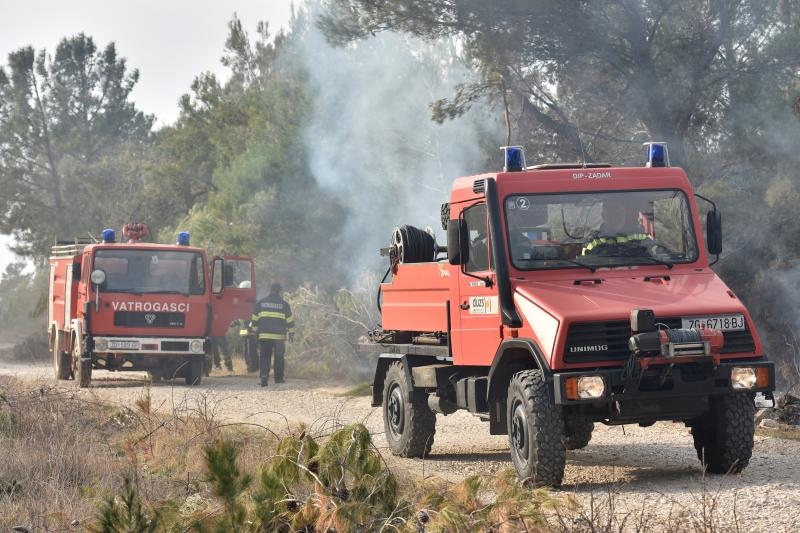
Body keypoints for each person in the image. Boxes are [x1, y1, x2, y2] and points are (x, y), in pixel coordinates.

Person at [251, 282, 295, 387]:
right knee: (279, 357)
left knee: (265, 356)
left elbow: (254, 320)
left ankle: (264, 377)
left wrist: (255, 332)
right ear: (279, 291)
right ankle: (278, 378)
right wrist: (292, 333)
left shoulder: (261, 303)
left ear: (270, 290)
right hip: (279, 337)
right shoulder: (284, 304)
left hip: (264, 336)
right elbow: (290, 321)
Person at [582, 197, 651, 256]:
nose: (617, 216)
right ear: (604, 216)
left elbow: (657, 254)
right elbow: (585, 261)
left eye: (620, 212)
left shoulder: (641, 237)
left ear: (625, 214)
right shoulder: (594, 240)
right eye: (612, 213)